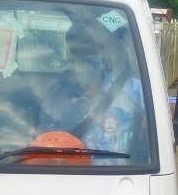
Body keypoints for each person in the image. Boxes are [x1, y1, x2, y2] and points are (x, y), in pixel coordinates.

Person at [37, 23, 145, 157]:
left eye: (90, 50)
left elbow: (161, 123)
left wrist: (148, 119)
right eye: (76, 51)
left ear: (103, 52)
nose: (83, 57)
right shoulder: (55, 100)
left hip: (120, 175)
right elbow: (44, 151)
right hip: (69, 175)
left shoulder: (133, 91)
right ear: (69, 56)